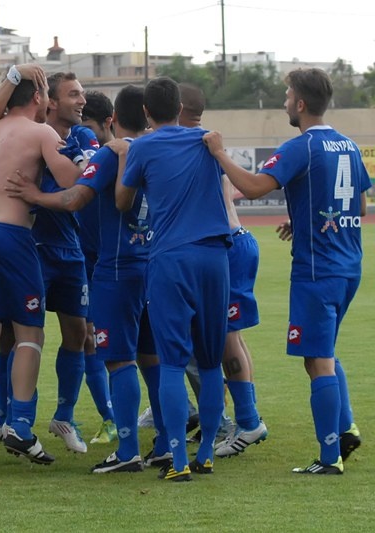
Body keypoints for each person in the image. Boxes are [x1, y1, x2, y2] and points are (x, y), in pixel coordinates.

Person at [203, 67, 369, 474]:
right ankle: (346, 428)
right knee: (324, 350)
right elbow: (360, 207)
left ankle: (329, 458)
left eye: (286, 96)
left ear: (300, 103)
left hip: (317, 271)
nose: (284, 103)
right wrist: (305, 220)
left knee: (317, 360)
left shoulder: (302, 146)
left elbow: (258, 187)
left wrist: (221, 155)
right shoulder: (347, 144)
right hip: (349, 266)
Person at [6, 84, 164, 474]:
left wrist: (33, 194)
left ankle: (127, 450)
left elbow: (74, 197)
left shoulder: (110, 155)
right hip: (151, 263)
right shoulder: (156, 152)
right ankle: (165, 441)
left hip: (114, 268)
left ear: (113, 120)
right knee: (152, 359)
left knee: (119, 360)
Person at [0, 75, 80, 464]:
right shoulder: (40, 132)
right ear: (38, 98)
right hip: (11, 234)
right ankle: (20, 427)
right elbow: (73, 182)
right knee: (29, 333)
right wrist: (38, 193)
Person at [114, 76, 230, 482]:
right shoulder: (204, 140)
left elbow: (122, 201)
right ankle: (209, 451)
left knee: (172, 363)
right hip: (216, 256)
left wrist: (128, 160)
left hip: (171, 259)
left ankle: (178, 461)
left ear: (146, 112)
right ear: (181, 107)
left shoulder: (143, 146)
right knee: (212, 362)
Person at [0, 69, 94, 454]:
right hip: (30, 248)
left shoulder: (83, 137)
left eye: (82, 94)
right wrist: (15, 75)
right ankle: (6, 414)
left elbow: (82, 187)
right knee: (12, 335)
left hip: (70, 250)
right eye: (74, 94)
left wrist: (36, 195)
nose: (82, 100)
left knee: (78, 335)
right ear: (49, 101)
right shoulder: (28, 131)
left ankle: (64, 415)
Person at [176, 83, 267, 458]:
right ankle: (246, 418)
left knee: (226, 339)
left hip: (228, 246)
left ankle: (247, 422)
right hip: (236, 243)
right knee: (233, 338)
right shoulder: (202, 140)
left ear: (176, 107)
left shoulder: (190, 143)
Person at [76, 90, 119, 445]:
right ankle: (110, 418)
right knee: (91, 340)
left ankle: (221, 416)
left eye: (89, 127)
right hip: (90, 264)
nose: (84, 134)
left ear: (109, 122)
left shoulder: (121, 157)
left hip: (127, 265)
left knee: (150, 348)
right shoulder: (78, 149)